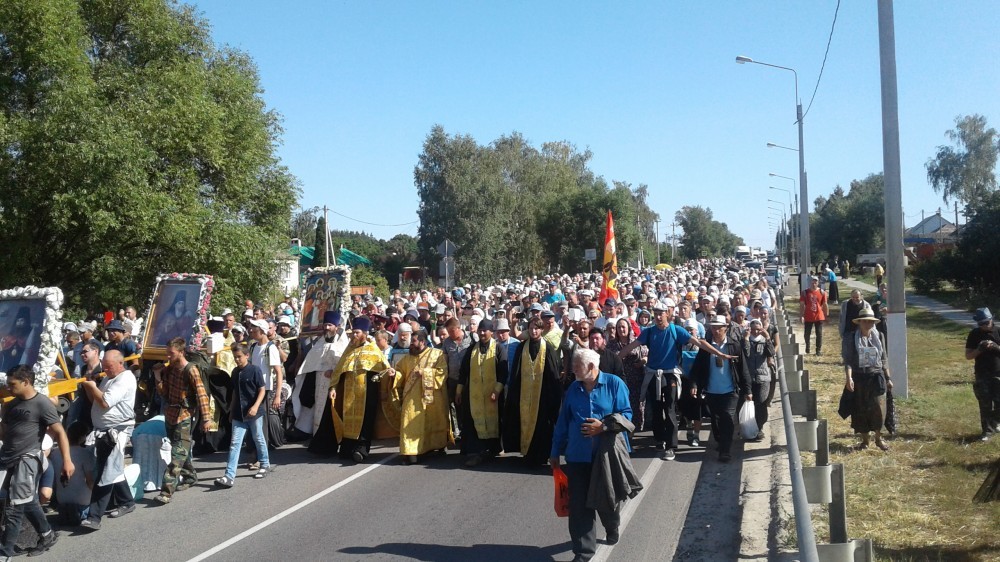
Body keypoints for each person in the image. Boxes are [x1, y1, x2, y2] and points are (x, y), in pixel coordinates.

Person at [616, 300, 732, 460]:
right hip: (652, 374)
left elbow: (698, 342)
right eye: (655, 313)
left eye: (660, 313)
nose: (657, 316)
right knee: (656, 408)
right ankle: (659, 439)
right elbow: (631, 346)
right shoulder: (649, 332)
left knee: (669, 408)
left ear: (667, 314)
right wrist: (614, 361)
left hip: (670, 374)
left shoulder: (676, 330)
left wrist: (719, 354)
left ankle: (671, 445)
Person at [549, 348, 634, 562]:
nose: (573, 370)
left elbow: (627, 415)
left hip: (606, 455)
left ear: (590, 367)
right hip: (577, 456)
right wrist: (555, 451)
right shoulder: (573, 389)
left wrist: (603, 426)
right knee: (579, 506)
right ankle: (583, 552)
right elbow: (562, 422)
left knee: (606, 499)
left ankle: (612, 525)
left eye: (576, 366)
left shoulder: (614, 384)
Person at [0, 365, 74, 558]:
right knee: (27, 500)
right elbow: (3, 430)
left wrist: (67, 460)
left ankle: (5, 551)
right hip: (6, 457)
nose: (8, 387)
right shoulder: (10, 404)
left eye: (12, 384)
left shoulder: (42, 403)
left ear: (26, 382)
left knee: (15, 506)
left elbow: (59, 432)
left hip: (28, 460)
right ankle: (47, 534)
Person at [78, 350, 137, 529]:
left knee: (106, 472)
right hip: (103, 430)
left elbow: (105, 402)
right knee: (111, 466)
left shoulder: (125, 378)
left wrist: (92, 386)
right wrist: (91, 385)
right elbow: (95, 401)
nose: (105, 369)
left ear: (120, 364)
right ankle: (127, 501)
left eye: (109, 366)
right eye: (104, 366)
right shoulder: (109, 377)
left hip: (117, 431)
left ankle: (94, 517)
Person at [324, 316, 393, 462]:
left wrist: (390, 377)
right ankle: (347, 448)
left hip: (367, 393)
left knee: (365, 422)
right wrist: (333, 387)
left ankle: (361, 450)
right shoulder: (348, 350)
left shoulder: (373, 349)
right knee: (348, 420)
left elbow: (385, 369)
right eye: (352, 333)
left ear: (365, 333)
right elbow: (339, 371)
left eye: (357, 333)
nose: (354, 336)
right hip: (349, 393)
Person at [152, 337, 211, 504]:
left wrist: (206, 419)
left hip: (184, 417)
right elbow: (164, 393)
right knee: (182, 451)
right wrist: (158, 376)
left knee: (177, 454)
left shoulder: (191, 370)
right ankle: (190, 476)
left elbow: (201, 395)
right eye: (167, 353)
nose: (168, 357)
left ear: (181, 352)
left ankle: (166, 492)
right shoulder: (170, 369)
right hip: (170, 415)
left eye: (171, 354)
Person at [690, 315, 752, 462]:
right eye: (714, 328)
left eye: (719, 328)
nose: (716, 331)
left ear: (726, 328)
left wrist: (748, 390)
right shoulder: (706, 347)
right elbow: (697, 368)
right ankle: (720, 441)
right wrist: (693, 384)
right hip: (711, 391)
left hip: (730, 391)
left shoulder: (734, 346)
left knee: (728, 418)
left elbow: (743, 369)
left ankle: (725, 450)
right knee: (716, 420)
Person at [502, 317, 563, 466]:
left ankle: (542, 455)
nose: (534, 331)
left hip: (542, 395)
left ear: (541, 330)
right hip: (524, 394)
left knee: (542, 425)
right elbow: (516, 371)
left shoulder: (547, 348)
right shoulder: (521, 348)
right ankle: (527, 454)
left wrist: (552, 395)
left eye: (537, 328)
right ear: (528, 330)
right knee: (524, 422)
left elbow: (553, 372)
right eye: (531, 328)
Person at [215, 342, 270, 487]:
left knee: (258, 438)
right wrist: (231, 411)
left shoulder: (254, 370)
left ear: (247, 355)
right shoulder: (235, 372)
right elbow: (235, 392)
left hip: (254, 413)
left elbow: (262, 390)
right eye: (235, 357)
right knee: (235, 444)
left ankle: (264, 464)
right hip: (239, 414)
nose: (237, 359)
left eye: (239, 356)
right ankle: (229, 476)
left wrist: (255, 406)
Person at [392, 330, 450, 465]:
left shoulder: (436, 354)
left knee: (433, 421)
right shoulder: (407, 358)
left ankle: (434, 446)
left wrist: (425, 372)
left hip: (432, 398)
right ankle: (410, 452)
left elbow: (442, 372)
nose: (410, 345)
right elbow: (400, 372)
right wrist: (394, 374)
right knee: (409, 422)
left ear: (422, 342)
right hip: (412, 398)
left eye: (413, 342)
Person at [456, 320, 505, 467]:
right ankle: (475, 453)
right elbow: (463, 372)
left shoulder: (499, 349)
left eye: (485, 330)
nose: (482, 333)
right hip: (474, 396)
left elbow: (503, 372)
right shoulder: (471, 350)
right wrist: (459, 391)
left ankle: (492, 449)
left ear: (492, 332)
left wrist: (497, 391)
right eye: (480, 330)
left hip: (493, 395)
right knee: (473, 423)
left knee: (494, 422)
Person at [844, 308, 891, 451]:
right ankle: (865, 440)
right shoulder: (851, 337)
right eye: (864, 321)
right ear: (859, 322)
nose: (867, 324)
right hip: (859, 377)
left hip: (876, 376)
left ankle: (878, 438)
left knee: (879, 409)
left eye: (870, 321)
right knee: (860, 410)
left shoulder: (879, 336)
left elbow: (884, 359)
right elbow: (848, 361)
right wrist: (849, 378)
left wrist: (888, 378)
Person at [606, 317, 648, 431]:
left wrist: (643, 361)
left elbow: (647, 354)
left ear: (629, 328)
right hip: (620, 379)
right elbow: (609, 359)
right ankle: (624, 430)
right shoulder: (612, 344)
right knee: (622, 406)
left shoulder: (637, 341)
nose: (621, 329)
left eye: (623, 327)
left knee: (636, 406)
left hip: (636, 378)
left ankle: (635, 429)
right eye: (618, 327)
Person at [966, 307, 1000, 442]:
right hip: (982, 373)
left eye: (986, 323)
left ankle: (996, 423)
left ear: (991, 320)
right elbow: (968, 356)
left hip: (998, 372)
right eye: (980, 324)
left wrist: (995, 347)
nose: (984, 326)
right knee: (985, 404)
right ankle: (987, 431)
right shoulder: (974, 334)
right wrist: (979, 349)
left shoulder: (998, 332)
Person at [744, 319, 775, 441]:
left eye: (758, 329)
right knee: (749, 403)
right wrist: (746, 339)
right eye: (753, 329)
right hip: (749, 377)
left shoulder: (764, 341)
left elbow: (771, 352)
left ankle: (760, 428)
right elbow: (745, 354)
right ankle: (750, 428)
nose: (756, 332)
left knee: (761, 403)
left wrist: (767, 338)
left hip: (763, 377)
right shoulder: (746, 341)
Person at [839, 290, 872, 361]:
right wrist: (841, 330)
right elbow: (841, 318)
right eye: (853, 297)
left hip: (861, 331)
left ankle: (865, 363)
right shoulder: (845, 304)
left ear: (861, 297)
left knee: (862, 348)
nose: (855, 299)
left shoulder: (866, 305)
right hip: (848, 330)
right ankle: (848, 363)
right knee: (847, 351)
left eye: (857, 297)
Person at [799, 276, 828, 355]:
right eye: (812, 282)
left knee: (819, 334)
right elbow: (802, 305)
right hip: (808, 316)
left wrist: (826, 315)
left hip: (819, 316)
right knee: (807, 333)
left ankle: (818, 350)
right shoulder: (805, 292)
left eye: (815, 282)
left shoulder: (822, 292)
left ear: (818, 283)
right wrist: (801, 315)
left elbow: (825, 304)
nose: (813, 283)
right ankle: (807, 346)